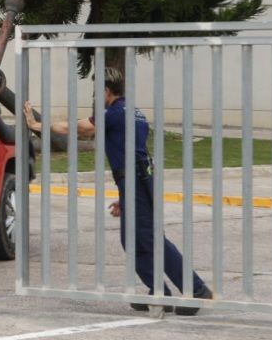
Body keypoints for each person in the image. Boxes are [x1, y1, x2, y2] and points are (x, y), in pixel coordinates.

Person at [25, 68, 213, 315]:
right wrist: (126, 196)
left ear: (106, 90)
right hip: (139, 180)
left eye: (96, 92)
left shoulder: (113, 114)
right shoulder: (135, 113)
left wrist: (35, 123)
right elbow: (133, 153)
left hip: (136, 180)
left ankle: (195, 290)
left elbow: (77, 128)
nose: (95, 97)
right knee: (139, 240)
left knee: (148, 240)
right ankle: (162, 293)